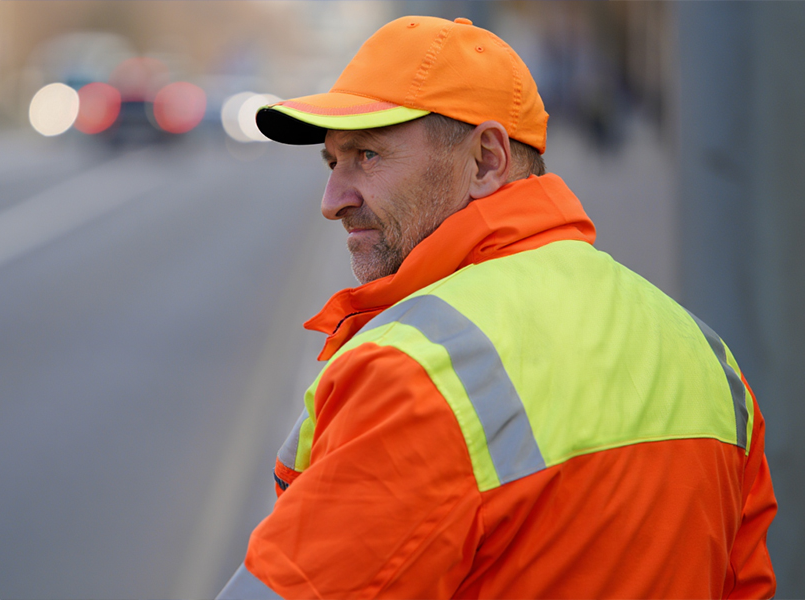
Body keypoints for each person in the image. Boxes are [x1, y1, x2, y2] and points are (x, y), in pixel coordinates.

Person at [218, 15, 777, 599]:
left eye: (368, 156)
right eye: (334, 162)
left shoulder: (415, 373)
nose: (333, 201)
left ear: (486, 159)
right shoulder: (708, 358)